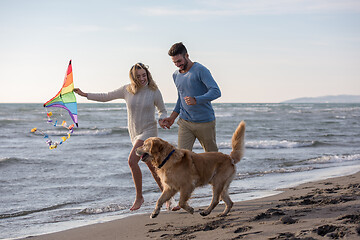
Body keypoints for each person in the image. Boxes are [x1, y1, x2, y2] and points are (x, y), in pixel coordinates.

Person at [74, 63, 177, 211]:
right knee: (152, 166)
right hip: (135, 133)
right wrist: (85, 94)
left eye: (144, 75)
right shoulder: (127, 90)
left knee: (132, 161)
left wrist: (162, 119)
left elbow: (162, 110)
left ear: (148, 74)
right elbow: (106, 97)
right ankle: (168, 197)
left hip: (149, 131)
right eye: (139, 76)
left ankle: (139, 197)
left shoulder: (154, 91)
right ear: (133, 78)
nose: (142, 78)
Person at [163, 42, 221, 152]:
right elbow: (181, 98)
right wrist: (172, 118)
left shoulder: (200, 70)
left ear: (187, 56)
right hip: (185, 122)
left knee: (213, 158)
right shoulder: (176, 75)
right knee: (181, 158)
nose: (177, 64)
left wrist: (197, 100)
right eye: (174, 62)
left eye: (179, 61)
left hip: (205, 122)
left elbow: (216, 91)